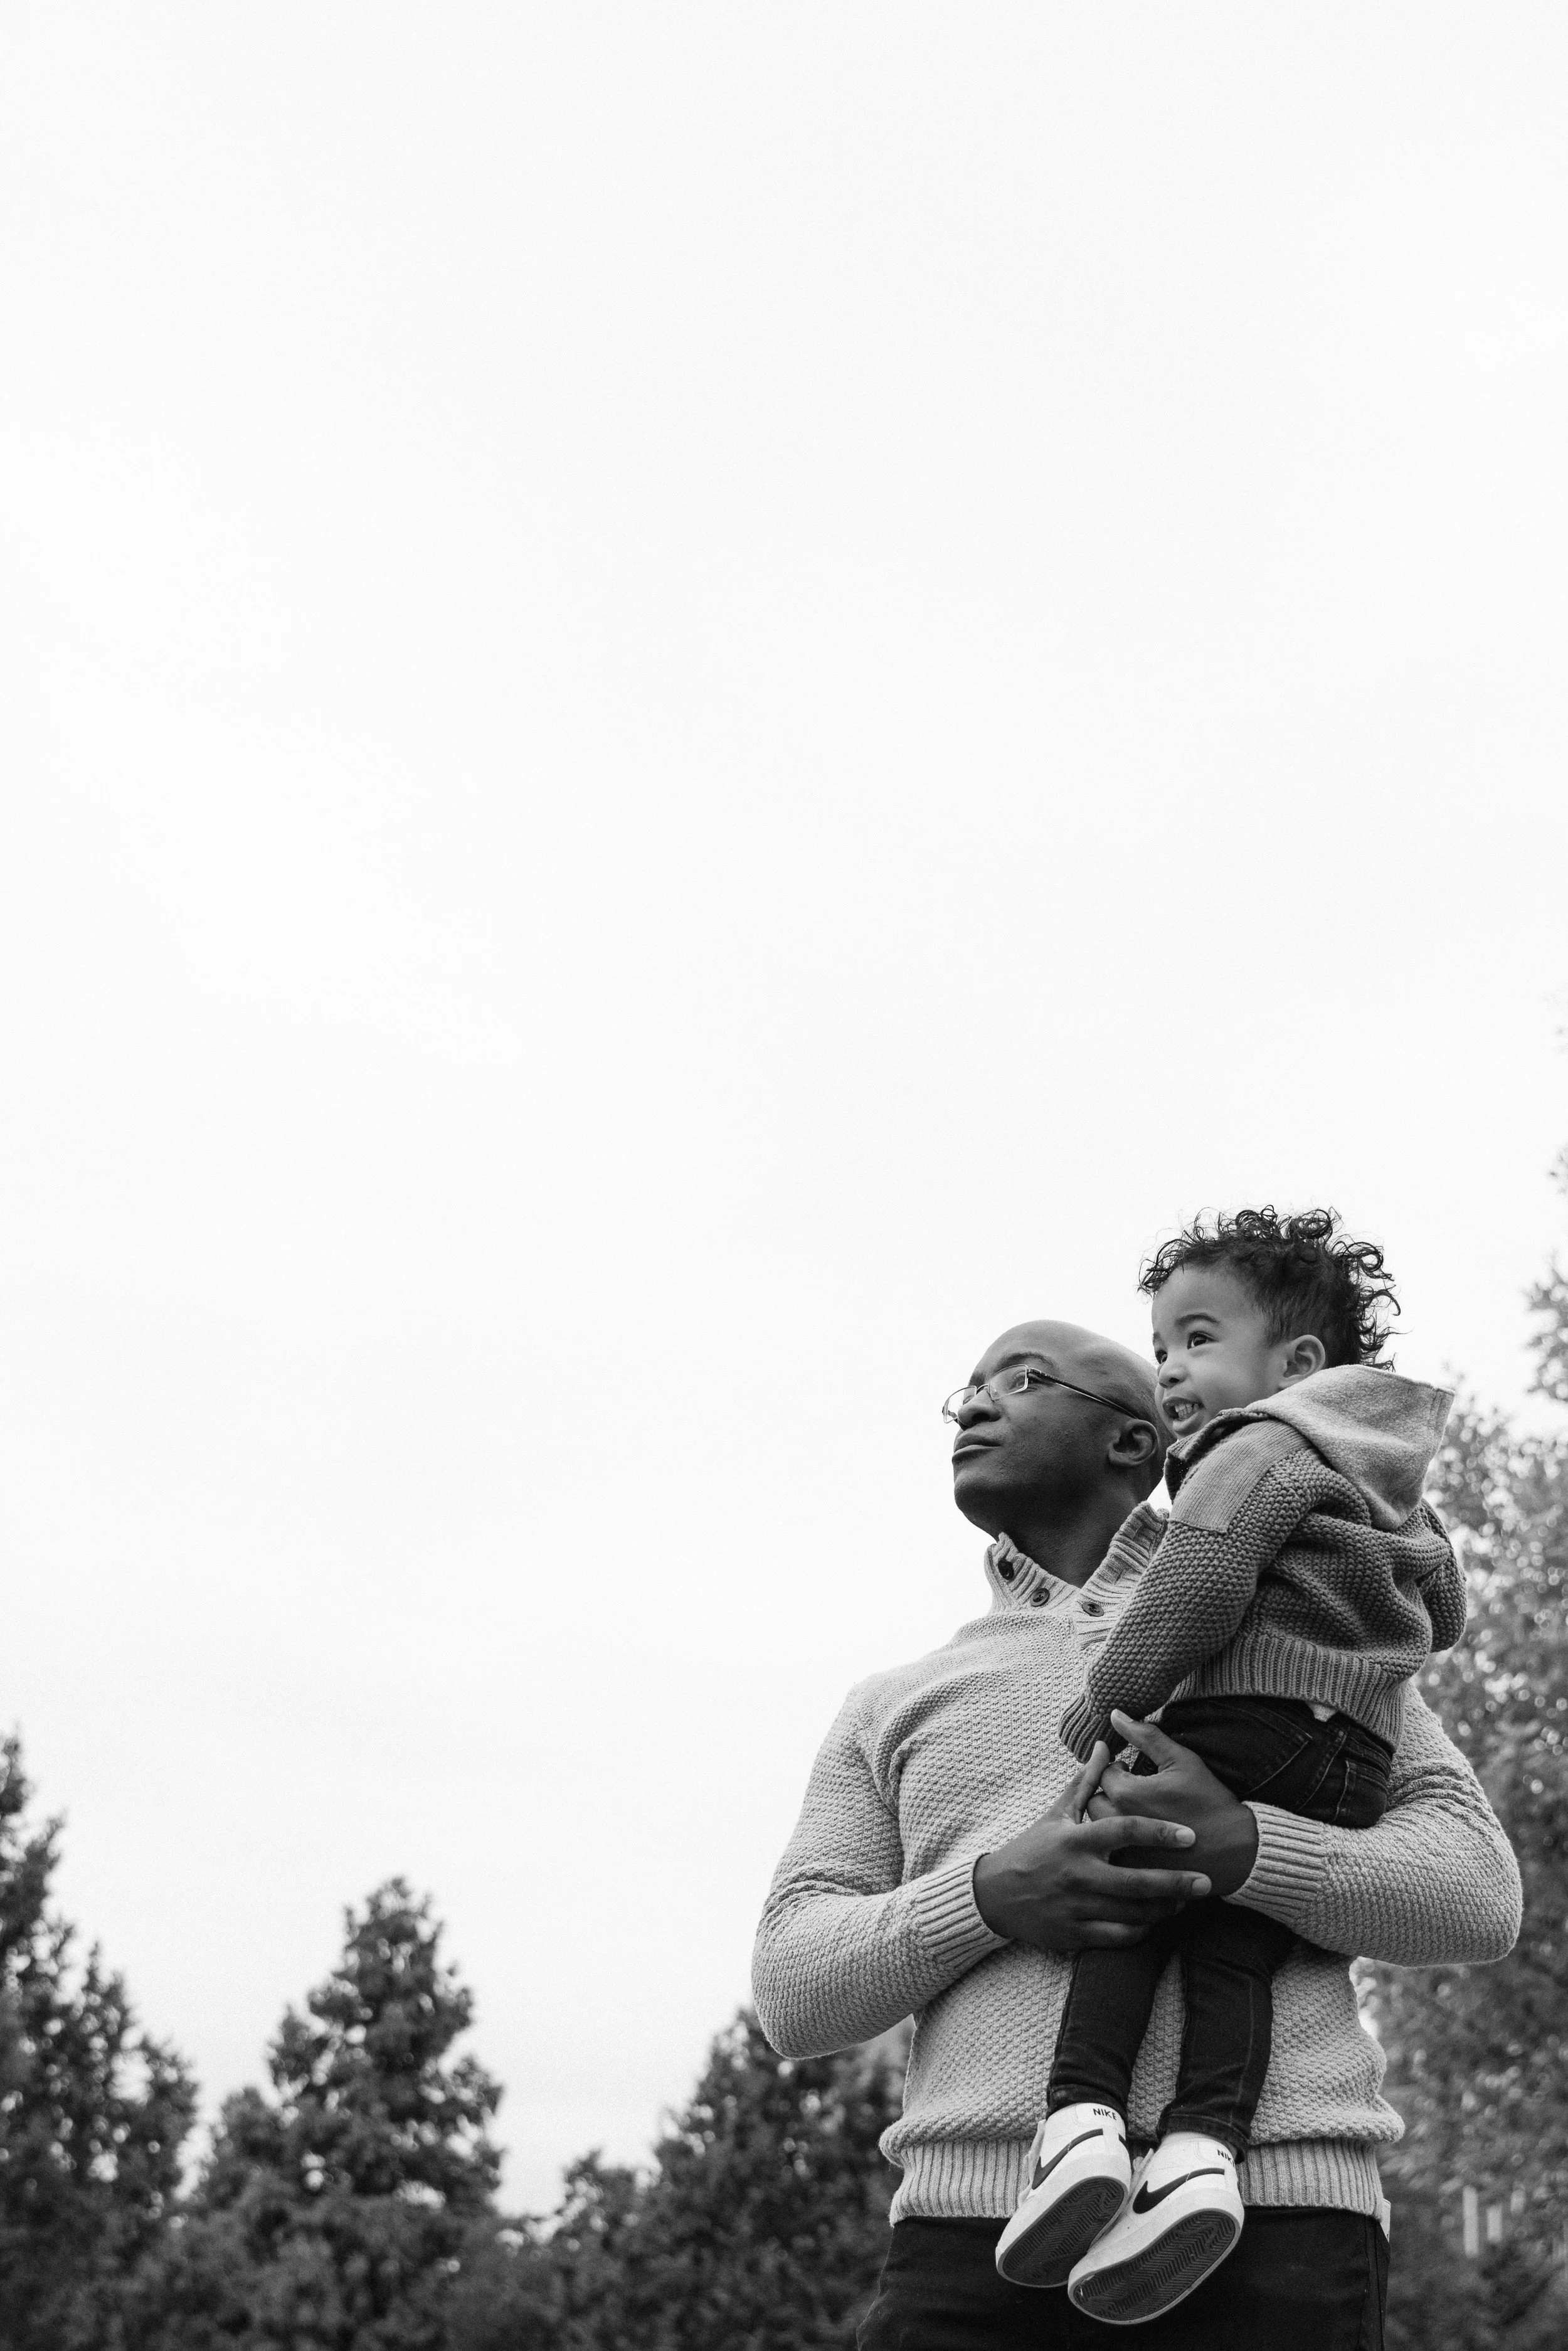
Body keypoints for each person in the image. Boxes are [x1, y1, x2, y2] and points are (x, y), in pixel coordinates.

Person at [751, 1315, 1521, 2350]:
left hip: (1280, 2227)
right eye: (966, 1391)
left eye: (1021, 1380)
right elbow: (794, 1992)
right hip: (973, 2240)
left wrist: (1248, 1849)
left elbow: (1477, 1893)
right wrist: (988, 1896)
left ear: (1139, 1440)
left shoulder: (1303, 1640)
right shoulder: (893, 1702)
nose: (975, 1404)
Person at [999, 1211, 1468, 2325]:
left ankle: (1081, 2128)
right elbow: (1442, 1612)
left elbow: (1196, 1586)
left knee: (1130, 1896)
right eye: (1161, 1349)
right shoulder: (1396, 1487)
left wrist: (1102, 1706)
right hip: (1347, 1758)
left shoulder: (1257, 1448)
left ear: (1298, 1366)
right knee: (1233, 1962)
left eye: (1198, 1341)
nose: (1171, 1372)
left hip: (1242, 1719)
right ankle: (1203, 2158)